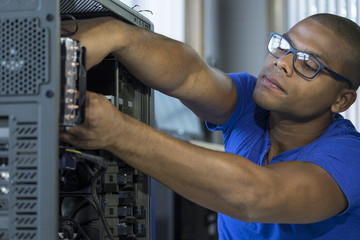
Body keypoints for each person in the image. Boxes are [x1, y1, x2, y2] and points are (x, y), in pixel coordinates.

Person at [60, 13, 360, 239]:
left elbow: (254, 196)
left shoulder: (350, 158)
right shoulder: (254, 104)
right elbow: (190, 76)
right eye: (283, 46)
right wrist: (117, 35)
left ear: (341, 100)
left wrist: (118, 132)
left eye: (308, 64)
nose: (282, 63)